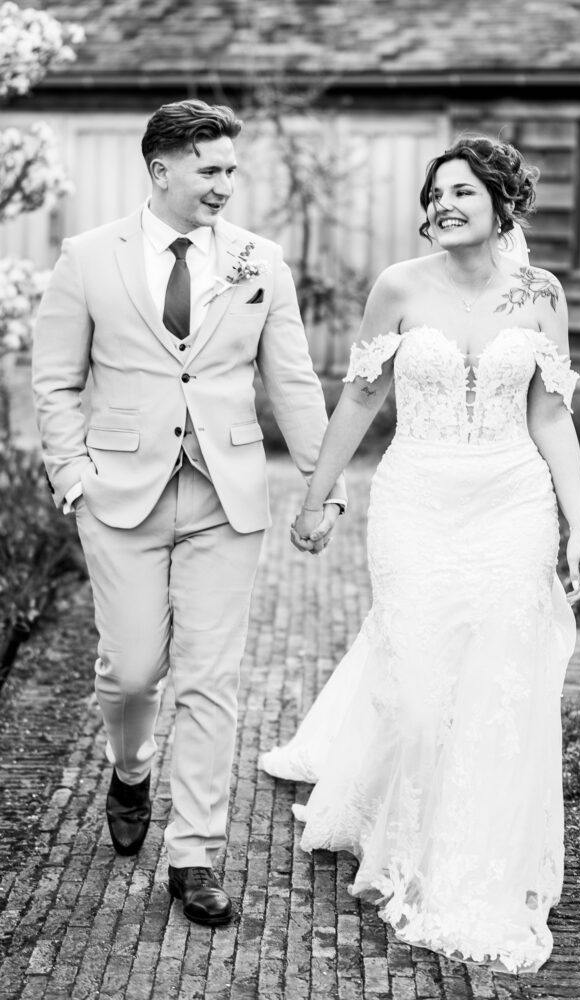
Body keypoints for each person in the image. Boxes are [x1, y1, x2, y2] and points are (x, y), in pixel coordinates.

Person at [261, 135, 580, 973]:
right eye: (435, 192)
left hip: (512, 502)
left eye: (461, 192)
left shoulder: (540, 293)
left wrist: (579, 524)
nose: (442, 204)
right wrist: (314, 498)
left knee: (493, 685)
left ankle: (463, 857)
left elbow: (551, 415)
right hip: (414, 503)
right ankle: (395, 825)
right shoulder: (398, 287)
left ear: (499, 204)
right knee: (416, 692)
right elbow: (361, 397)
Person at [32, 99, 346, 926]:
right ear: (161, 168)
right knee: (132, 670)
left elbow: (294, 382)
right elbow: (55, 381)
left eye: (230, 170)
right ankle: (128, 765)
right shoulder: (88, 256)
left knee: (211, 678)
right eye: (209, 169)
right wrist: (73, 474)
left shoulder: (259, 262)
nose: (224, 185)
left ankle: (195, 853)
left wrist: (321, 487)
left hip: (225, 490)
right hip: (120, 492)